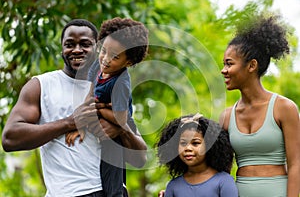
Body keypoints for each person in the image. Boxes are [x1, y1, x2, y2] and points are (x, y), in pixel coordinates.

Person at [2, 18, 147, 197]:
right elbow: (10, 138)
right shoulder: (41, 85)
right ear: (62, 48)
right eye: (70, 44)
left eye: (85, 44)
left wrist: (121, 130)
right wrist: (70, 123)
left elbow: (140, 158)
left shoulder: (112, 87)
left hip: (103, 191)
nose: (77, 50)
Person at [65, 17, 149, 197]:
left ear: (128, 62)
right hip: (104, 119)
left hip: (119, 122)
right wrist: (80, 126)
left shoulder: (121, 83)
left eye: (115, 56)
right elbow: (89, 96)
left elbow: (121, 119)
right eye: (104, 51)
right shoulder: (98, 65)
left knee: (113, 180)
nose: (106, 59)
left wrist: (100, 108)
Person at [219, 13, 300, 197]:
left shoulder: (284, 108)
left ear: (251, 65)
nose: (223, 70)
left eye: (229, 64)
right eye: (223, 64)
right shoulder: (226, 116)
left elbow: (296, 164)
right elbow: (215, 169)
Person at [156, 113, 238, 197]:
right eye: (183, 143)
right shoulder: (173, 186)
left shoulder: (224, 181)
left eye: (195, 143)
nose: (187, 148)